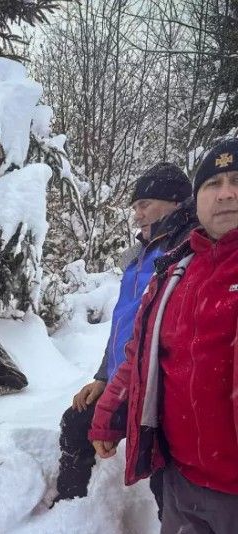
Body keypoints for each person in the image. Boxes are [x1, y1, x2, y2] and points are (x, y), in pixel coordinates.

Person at [90, 138, 238, 534]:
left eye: (236, 182)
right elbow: (139, 351)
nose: (226, 194)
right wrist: (109, 409)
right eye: (213, 184)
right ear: (197, 200)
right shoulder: (176, 271)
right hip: (185, 486)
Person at [54, 162, 195, 509]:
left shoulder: (187, 252)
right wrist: (104, 377)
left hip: (158, 389)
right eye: (134, 207)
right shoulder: (138, 258)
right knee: (76, 421)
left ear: (176, 203)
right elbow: (124, 325)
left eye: (145, 204)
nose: (137, 214)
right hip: (123, 379)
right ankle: (72, 510)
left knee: (168, 479)